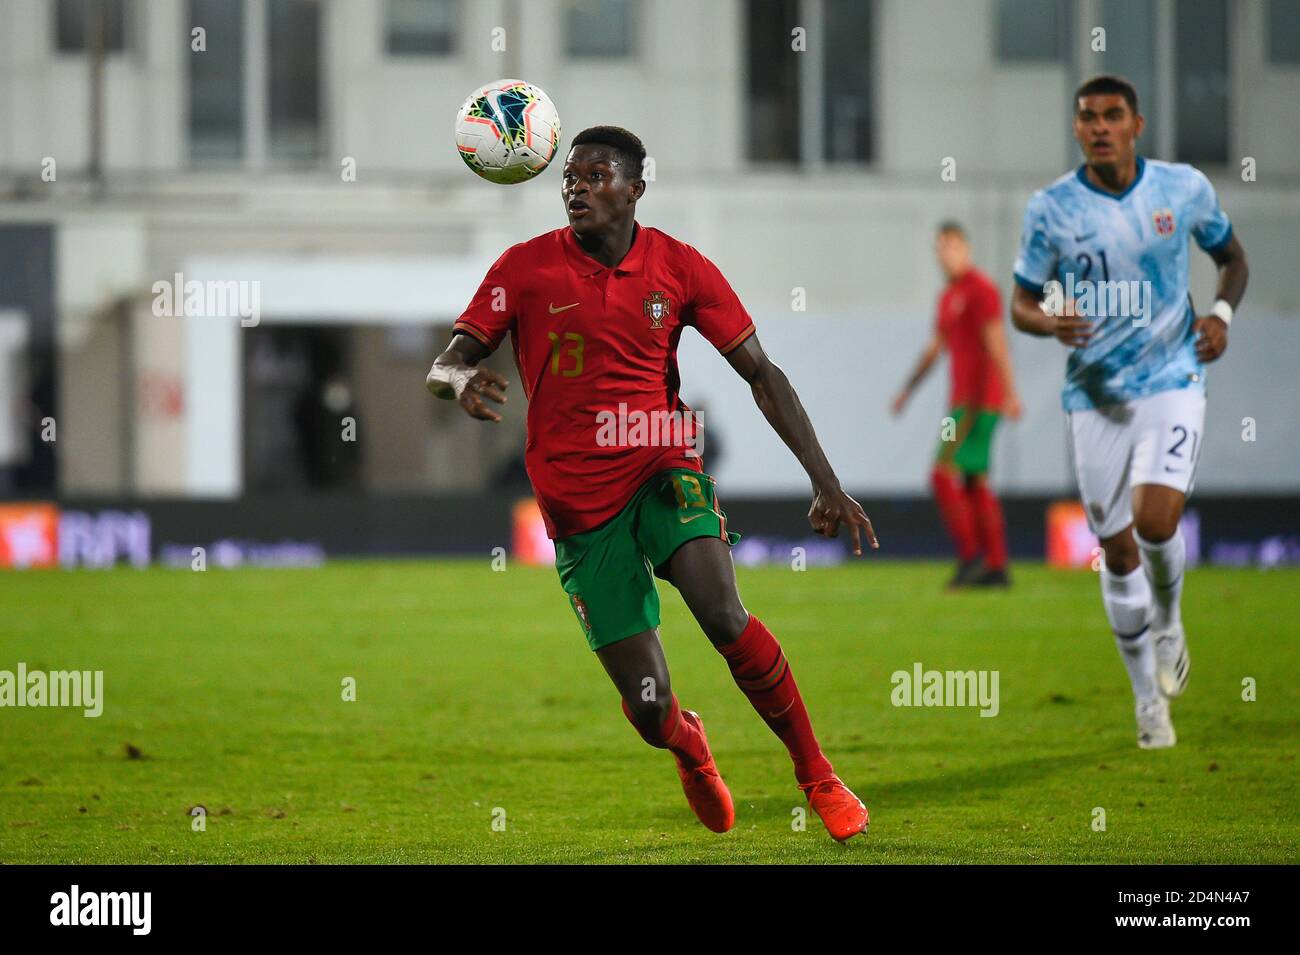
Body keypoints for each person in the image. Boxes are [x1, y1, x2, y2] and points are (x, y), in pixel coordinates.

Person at [426, 126, 875, 840]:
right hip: (576, 504)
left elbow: (762, 374)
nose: (577, 187)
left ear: (636, 188)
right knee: (647, 704)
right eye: (569, 176)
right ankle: (688, 743)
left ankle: (818, 773)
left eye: (597, 175)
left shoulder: (680, 266)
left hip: (660, 460)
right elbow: (445, 361)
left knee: (723, 611)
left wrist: (824, 481)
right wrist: (458, 379)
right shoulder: (526, 266)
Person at [1009, 76, 1248, 749]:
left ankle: (1169, 616)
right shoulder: (1051, 208)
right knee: (1115, 552)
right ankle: (1150, 701)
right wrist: (1049, 317)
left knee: (1154, 520)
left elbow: (1232, 258)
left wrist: (1222, 314)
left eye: (1113, 115)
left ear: (1136, 124)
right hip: (1094, 396)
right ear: (1078, 128)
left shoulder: (1182, 189)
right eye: (1087, 117)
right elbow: (1020, 303)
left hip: (1173, 379)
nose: (1100, 127)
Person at [892, 222, 1021, 588]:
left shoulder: (981, 289)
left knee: (942, 473)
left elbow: (995, 340)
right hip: (962, 402)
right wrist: (908, 389)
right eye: (940, 249)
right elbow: (934, 350)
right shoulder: (949, 296)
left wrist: (1009, 392)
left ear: (966, 249)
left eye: (951, 247)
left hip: (981, 401)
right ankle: (995, 566)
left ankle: (972, 559)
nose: (945, 256)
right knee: (973, 482)